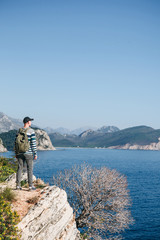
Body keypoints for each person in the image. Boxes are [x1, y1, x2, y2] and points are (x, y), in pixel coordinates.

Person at [15, 117, 37, 191]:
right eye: (30, 121)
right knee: (29, 169)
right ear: (27, 122)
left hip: (19, 153)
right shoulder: (31, 131)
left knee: (19, 168)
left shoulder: (19, 130)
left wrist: (16, 153)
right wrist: (35, 153)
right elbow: (33, 143)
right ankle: (30, 186)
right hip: (28, 153)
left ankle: (18, 186)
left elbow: (16, 142)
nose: (31, 122)